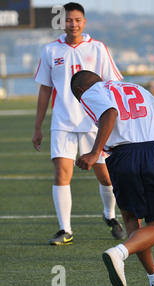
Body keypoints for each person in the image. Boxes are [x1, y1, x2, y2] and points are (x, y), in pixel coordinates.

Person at [71, 70, 154, 286]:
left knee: (131, 218)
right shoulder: (136, 88)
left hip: (121, 157)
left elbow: (109, 112)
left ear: (80, 91)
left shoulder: (90, 93)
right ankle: (122, 254)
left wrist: (94, 153)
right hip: (152, 152)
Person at [32, 2, 126, 245]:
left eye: (77, 20)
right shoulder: (51, 50)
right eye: (68, 20)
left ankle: (110, 216)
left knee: (105, 176)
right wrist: (38, 126)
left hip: (94, 123)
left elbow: (113, 84)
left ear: (84, 22)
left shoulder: (97, 48)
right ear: (62, 23)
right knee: (61, 174)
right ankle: (65, 230)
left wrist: (117, 120)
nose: (73, 24)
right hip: (62, 122)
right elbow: (44, 89)